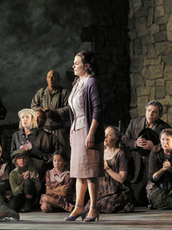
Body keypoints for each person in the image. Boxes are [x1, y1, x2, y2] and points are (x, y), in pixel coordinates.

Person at [65, 50, 104, 222]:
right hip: (77, 129)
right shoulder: (77, 83)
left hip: (88, 131)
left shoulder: (91, 82)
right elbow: (74, 111)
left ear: (87, 66)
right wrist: (72, 130)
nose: (73, 66)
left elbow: (97, 109)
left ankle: (94, 208)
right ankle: (78, 206)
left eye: (77, 63)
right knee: (79, 171)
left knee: (89, 172)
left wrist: (91, 134)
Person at [121, 100, 171, 206]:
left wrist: (155, 148)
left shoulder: (165, 127)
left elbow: (170, 148)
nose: (150, 114)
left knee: (153, 199)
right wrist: (135, 143)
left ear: (160, 115)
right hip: (136, 164)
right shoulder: (135, 123)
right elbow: (125, 140)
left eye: (154, 112)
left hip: (154, 165)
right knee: (137, 199)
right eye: (148, 110)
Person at [90, 126, 134, 213]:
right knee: (90, 207)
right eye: (104, 135)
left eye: (109, 135)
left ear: (116, 139)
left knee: (106, 206)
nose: (105, 137)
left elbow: (122, 178)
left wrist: (107, 168)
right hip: (102, 192)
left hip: (116, 192)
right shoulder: (100, 153)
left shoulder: (121, 154)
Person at [10, 108, 60, 176]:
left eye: (27, 117)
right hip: (20, 175)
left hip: (38, 174)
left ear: (33, 120)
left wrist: (32, 150)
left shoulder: (44, 136)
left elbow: (49, 157)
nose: (24, 119)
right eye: (22, 117)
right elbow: (12, 155)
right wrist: (19, 151)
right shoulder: (16, 135)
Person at [31, 70, 70, 151]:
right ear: (46, 79)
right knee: (45, 154)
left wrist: (55, 112)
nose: (51, 79)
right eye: (49, 77)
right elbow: (33, 106)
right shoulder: (41, 93)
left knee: (61, 154)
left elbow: (70, 107)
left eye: (53, 77)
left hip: (59, 130)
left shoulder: (64, 93)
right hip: (44, 130)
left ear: (58, 79)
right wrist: (42, 110)